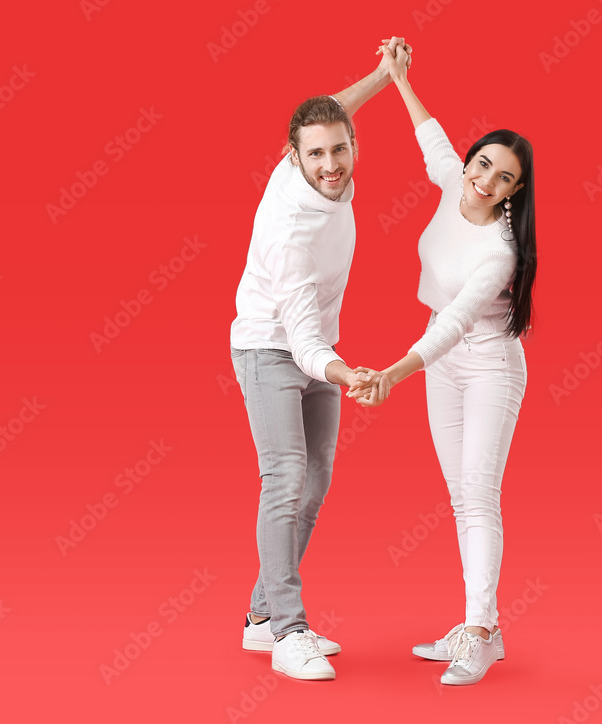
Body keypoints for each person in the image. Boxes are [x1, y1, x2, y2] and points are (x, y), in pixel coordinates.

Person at [349, 40, 537, 686]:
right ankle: (476, 624)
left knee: (479, 495)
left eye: (502, 178)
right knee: (459, 497)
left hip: (487, 364)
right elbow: (431, 139)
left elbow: (458, 323)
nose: (483, 181)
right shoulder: (454, 179)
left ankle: (480, 633)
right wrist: (397, 78)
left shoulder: (501, 252)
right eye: (482, 164)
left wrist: (389, 375)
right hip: (439, 358)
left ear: (515, 193)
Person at [229, 38, 411, 682]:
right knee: (284, 479)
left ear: (353, 146)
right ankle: (287, 629)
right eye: (316, 155)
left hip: (315, 348)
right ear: (293, 158)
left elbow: (334, 105)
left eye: (340, 149)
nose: (330, 164)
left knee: (319, 478)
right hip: (272, 348)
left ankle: (259, 618)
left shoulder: (317, 144)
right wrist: (347, 372)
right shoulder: (292, 233)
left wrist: (386, 76)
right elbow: (303, 342)